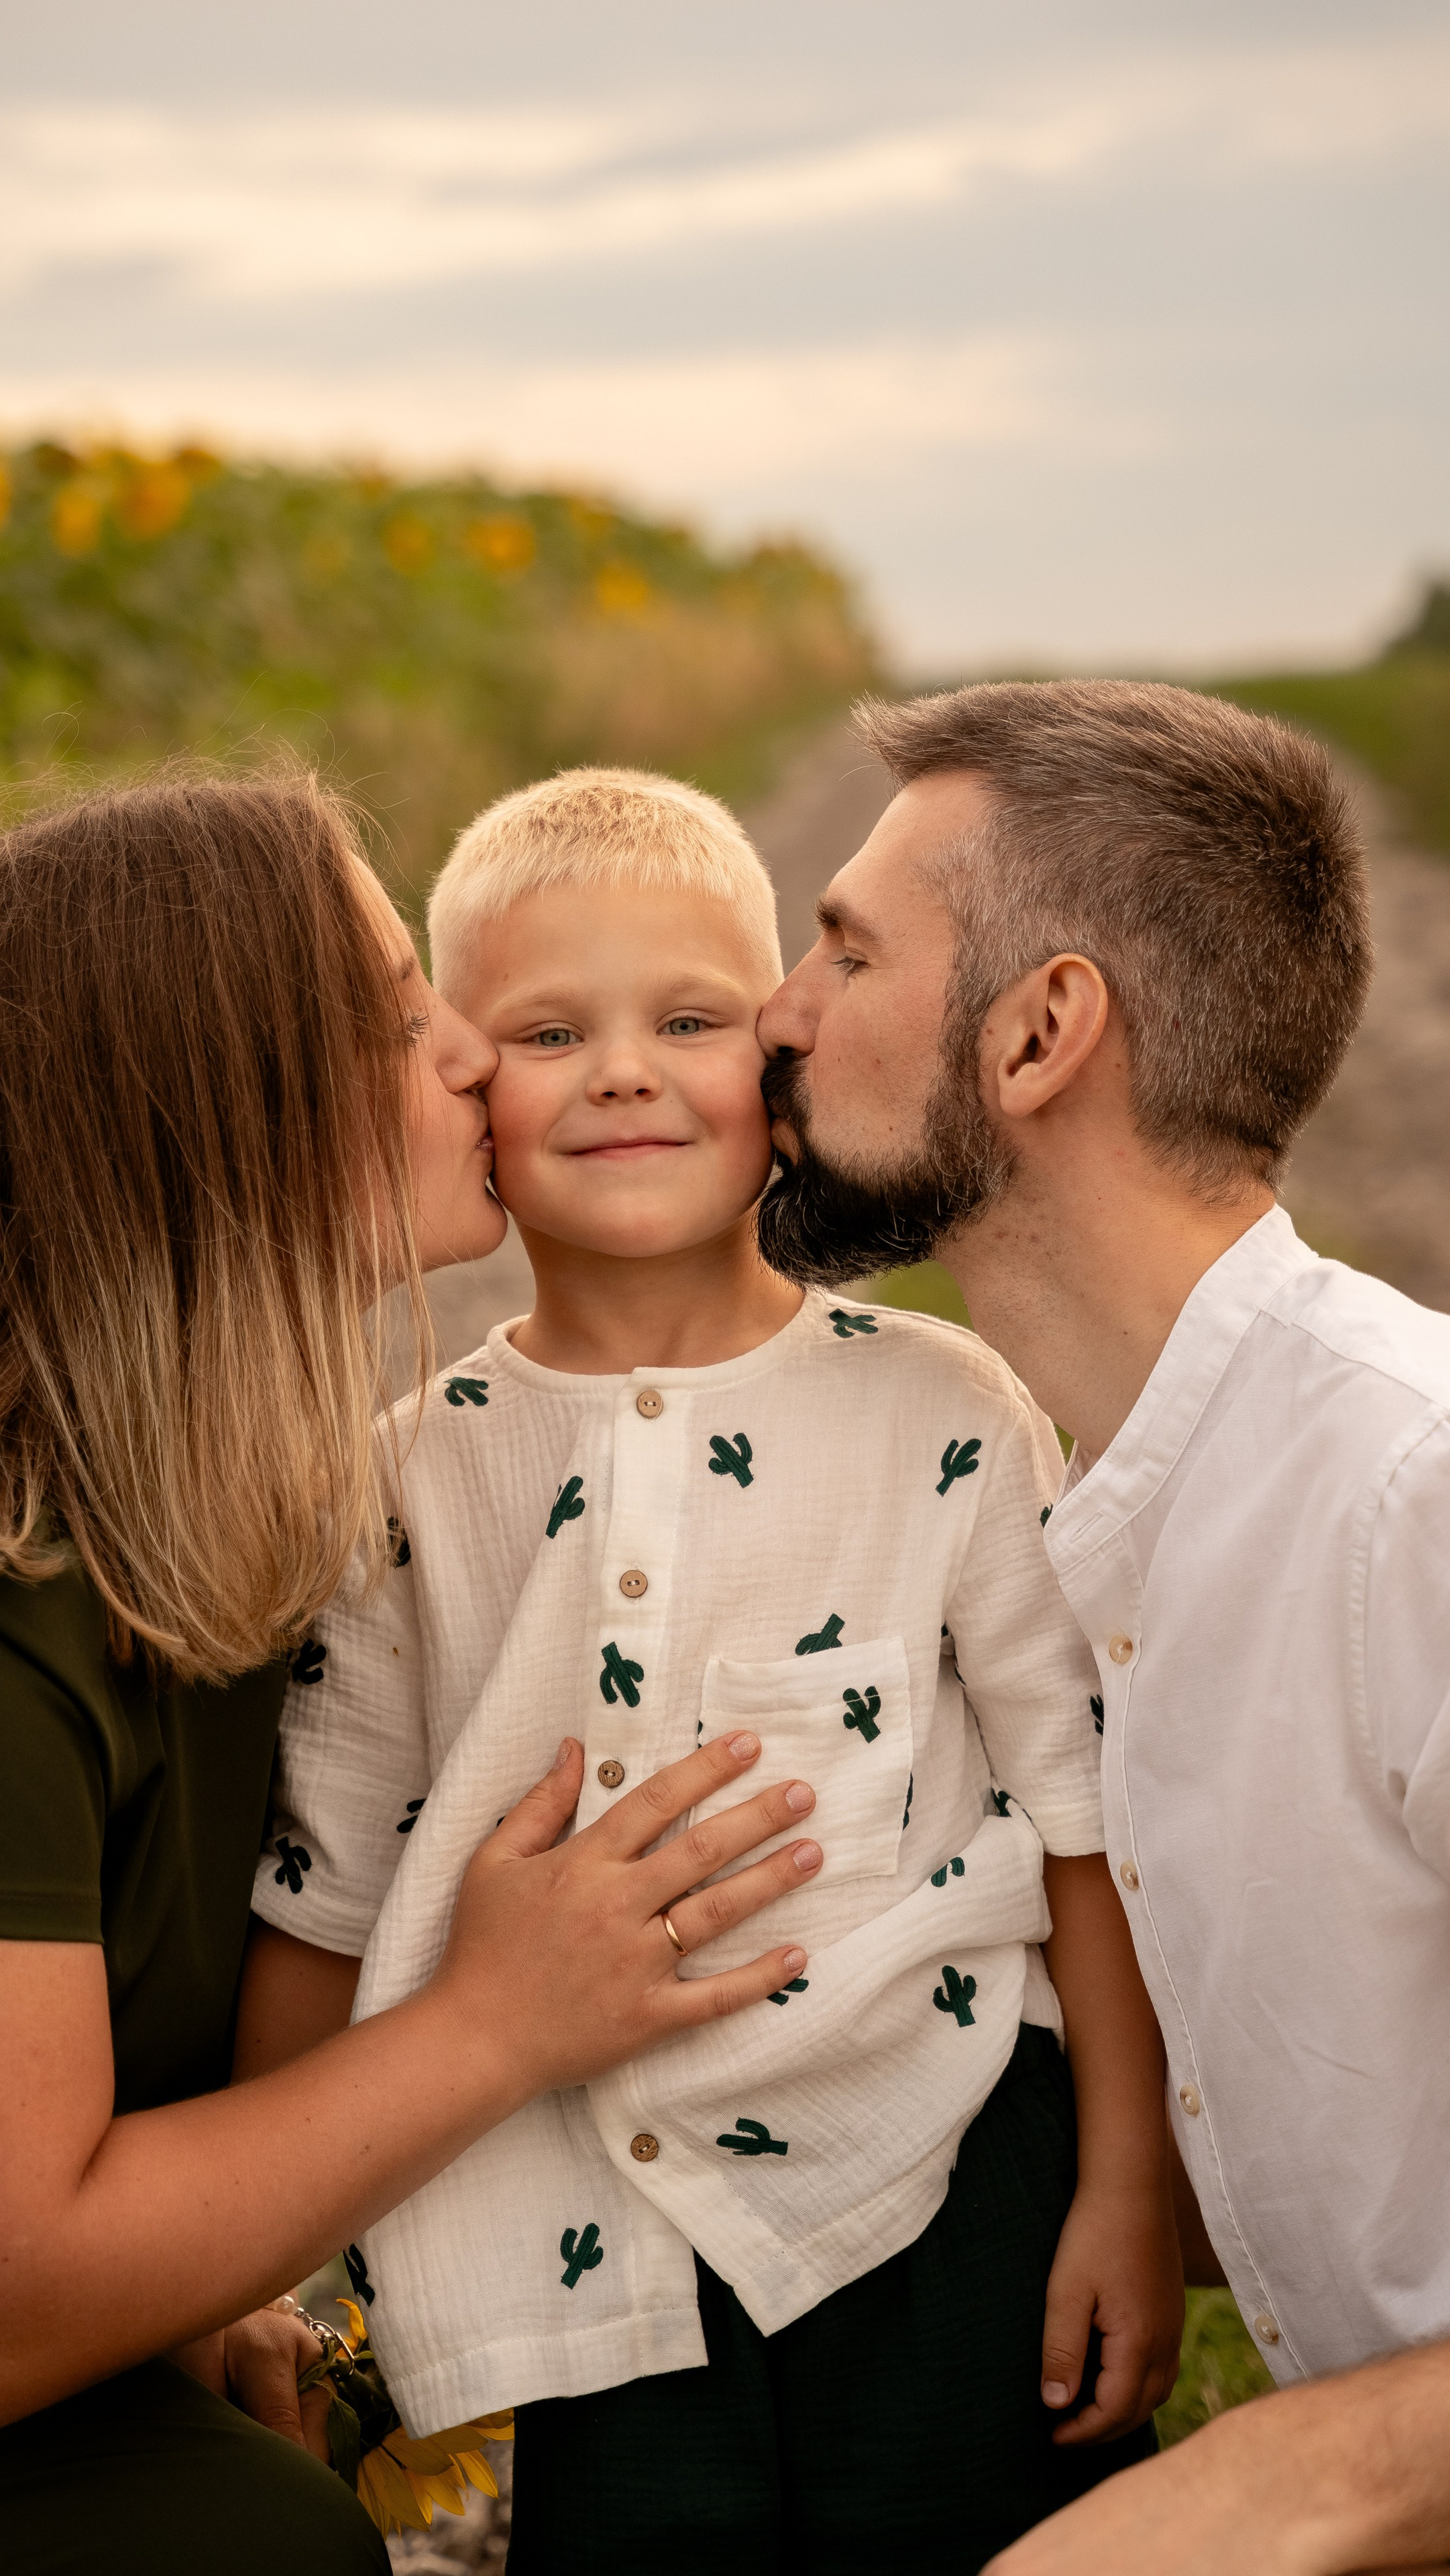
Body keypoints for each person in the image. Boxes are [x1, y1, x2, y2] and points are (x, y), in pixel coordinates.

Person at [0, 769, 818, 2574]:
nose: (477, 1057)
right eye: (403, 1022)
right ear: (218, 1119)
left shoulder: (226, 1508)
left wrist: (195, 2283)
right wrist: (494, 2022)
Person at [249, 767, 1182, 2576]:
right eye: (546, 1029)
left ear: (779, 1087)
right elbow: (327, 1888)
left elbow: (1087, 1825)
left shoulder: (946, 1412)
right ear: (470, 1100)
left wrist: (1127, 2183)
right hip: (583, 2230)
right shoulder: (399, 1476)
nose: (618, 1068)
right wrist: (275, 2282)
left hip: (939, 2168)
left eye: (684, 1018)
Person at [756, 677, 1450, 2575]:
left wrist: (1238, 2505)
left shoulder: (1415, 1495)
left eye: (841, 947)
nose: (777, 1014)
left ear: (1045, 1027)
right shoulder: (1075, 1519)